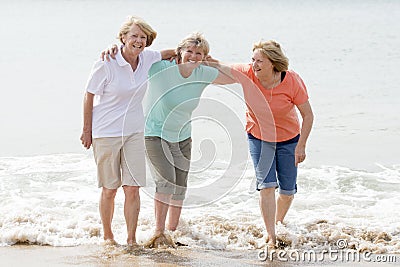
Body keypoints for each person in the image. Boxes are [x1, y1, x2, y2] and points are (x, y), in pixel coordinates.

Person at [80, 16, 175, 246]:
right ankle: (108, 236)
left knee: (133, 188)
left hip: (134, 132)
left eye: (143, 37)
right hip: (106, 133)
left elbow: (170, 53)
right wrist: (87, 129)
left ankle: (131, 240)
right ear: (123, 37)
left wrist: (196, 54)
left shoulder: (147, 58)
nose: (138, 41)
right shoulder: (107, 62)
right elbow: (89, 94)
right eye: (134, 36)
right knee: (110, 189)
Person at [228, 40, 314, 248]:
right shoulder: (248, 73)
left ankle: (278, 221)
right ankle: (271, 235)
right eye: (253, 60)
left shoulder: (292, 80)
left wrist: (301, 146)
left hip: (289, 140)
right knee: (267, 185)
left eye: (259, 61)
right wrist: (197, 61)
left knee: (287, 191)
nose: (254, 64)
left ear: (273, 63)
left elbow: (308, 115)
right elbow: (221, 70)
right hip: (259, 137)